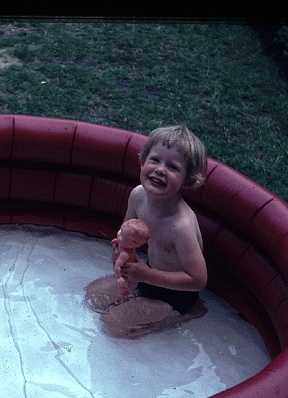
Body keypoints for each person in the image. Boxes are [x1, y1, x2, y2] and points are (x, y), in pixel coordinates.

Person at [85, 125, 209, 338]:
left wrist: (146, 275)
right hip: (148, 275)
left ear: (187, 181)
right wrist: (121, 255)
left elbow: (198, 280)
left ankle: (187, 312)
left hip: (176, 294)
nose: (160, 169)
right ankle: (143, 295)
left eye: (173, 167)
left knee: (112, 325)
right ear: (142, 162)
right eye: (155, 160)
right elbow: (126, 236)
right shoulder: (138, 196)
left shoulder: (181, 226)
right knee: (92, 297)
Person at [112, 218, 150, 297]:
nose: (119, 234)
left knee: (123, 288)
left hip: (125, 275)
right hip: (125, 272)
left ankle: (123, 297)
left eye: (122, 235)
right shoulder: (124, 243)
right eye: (120, 231)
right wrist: (116, 242)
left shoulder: (125, 254)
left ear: (131, 245)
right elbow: (118, 241)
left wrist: (119, 278)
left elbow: (117, 267)